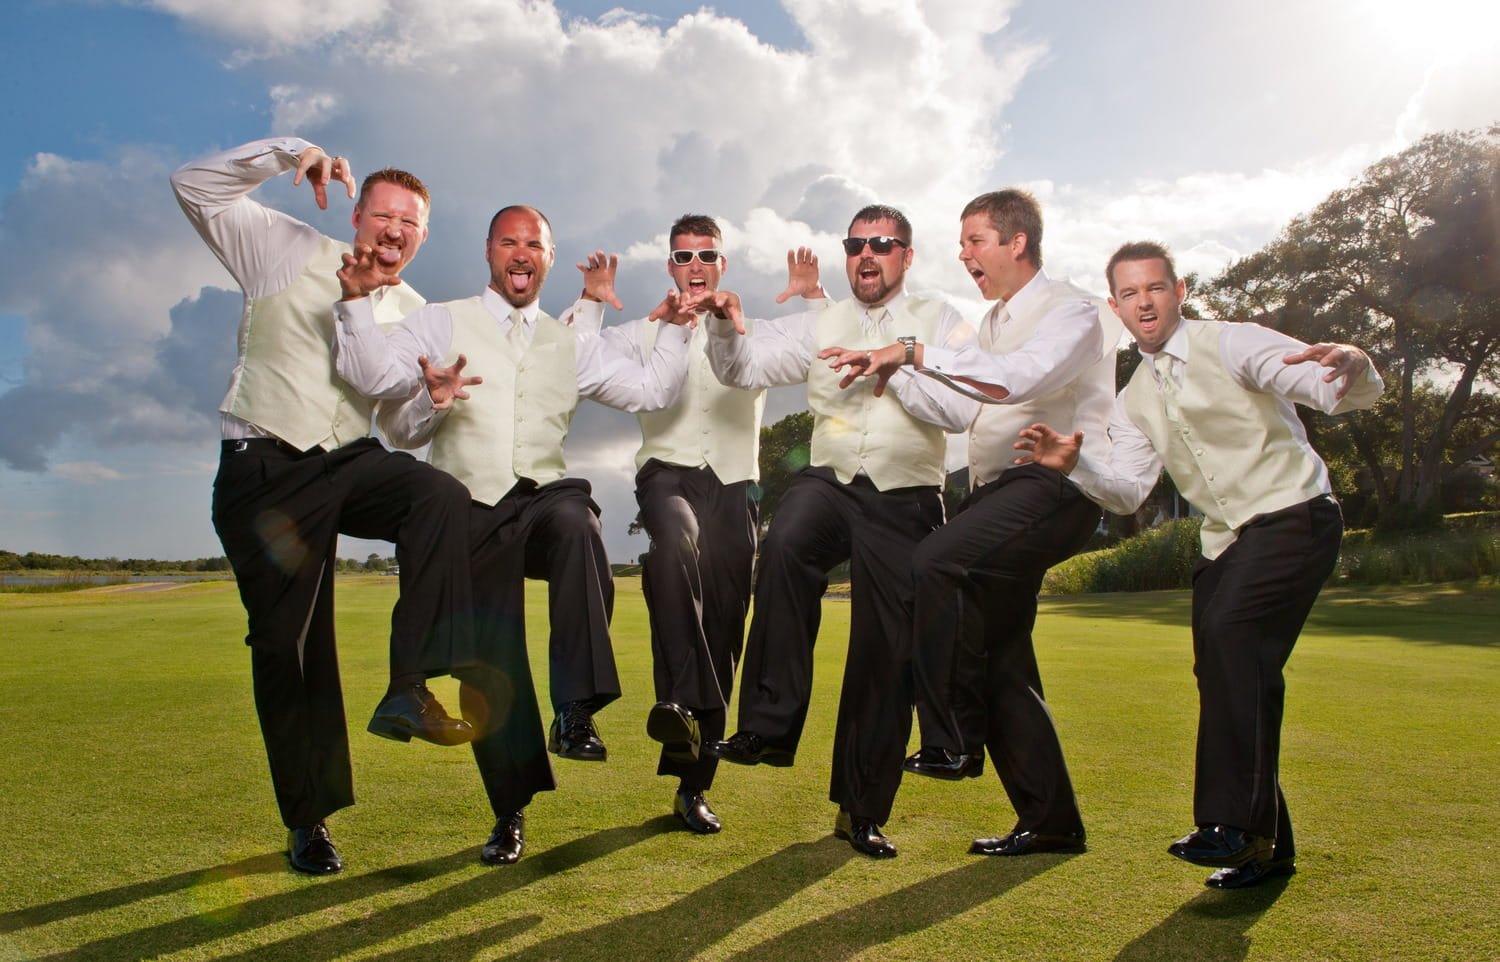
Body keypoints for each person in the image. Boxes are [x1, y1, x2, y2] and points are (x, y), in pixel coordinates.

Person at [334, 204, 694, 865]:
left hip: (540, 496)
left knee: (577, 522)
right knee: (491, 664)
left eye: (534, 243)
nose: (521, 252)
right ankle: (509, 813)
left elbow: (651, 390)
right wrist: (429, 396)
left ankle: (577, 709)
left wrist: (670, 333)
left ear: (548, 259)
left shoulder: (570, 344)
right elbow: (395, 421)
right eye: (509, 241)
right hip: (467, 508)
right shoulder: (441, 319)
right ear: (490, 253)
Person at [1016, 240, 1383, 888]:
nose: (1144, 301)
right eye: (1129, 294)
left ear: (1177, 291)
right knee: (1228, 671)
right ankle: (1267, 852)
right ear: (1116, 307)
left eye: (1154, 287)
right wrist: (1074, 464)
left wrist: (1353, 362)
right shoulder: (1134, 397)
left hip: (1293, 514)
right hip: (1226, 542)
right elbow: (1130, 490)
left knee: (1231, 637)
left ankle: (1229, 826)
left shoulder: (1233, 342)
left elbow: (1329, 386)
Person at [171, 138, 476, 877]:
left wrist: (431, 404)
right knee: (287, 647)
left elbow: (400, 426)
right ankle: (307, 822)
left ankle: (409, 687)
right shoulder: (286, 247)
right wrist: (289, 153)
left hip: (344, 461)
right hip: (264, 467)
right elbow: (194, 186)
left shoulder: (415, 311)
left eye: (411, 221)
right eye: (384, 214)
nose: (395, 229)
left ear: (424, 235)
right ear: (358, 214)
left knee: (437, 494)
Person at [827, 189, 1121, 857]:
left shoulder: (1072, 312)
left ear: (1017, 242)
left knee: (935, 561)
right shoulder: (989, 325)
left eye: (975, 241)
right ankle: (1050, 819)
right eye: (961, 244)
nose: (963, 255)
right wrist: (889, 373)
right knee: (1002, 658)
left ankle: (950, 741)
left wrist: (912, 349)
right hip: (993, 497)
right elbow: (958, 403)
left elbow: (1017, 380)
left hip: (1054, 488)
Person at [697, 205, 978, 859]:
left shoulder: (941, 320)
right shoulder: (819, 322)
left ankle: (861, 812)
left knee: (886, 655)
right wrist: (724, 331)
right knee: (788, 540)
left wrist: (897, 369)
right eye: (855, 245)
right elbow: (743, 367)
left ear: (907, 255)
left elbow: (964, 407)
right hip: (830, 485)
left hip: (907, 497)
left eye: (882, 244)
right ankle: (767, 723)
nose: (867, 255)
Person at [563, 215, 826, 835]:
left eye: (707, 254)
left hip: (736, 483)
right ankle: (678, 698)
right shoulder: (643, 332)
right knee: (672, 548)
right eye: (684, 255)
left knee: (726, 628)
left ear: (722, 264)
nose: (696, 264)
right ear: (672, 266)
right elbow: (572, 359)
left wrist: (815, 294)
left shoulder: (752, 332)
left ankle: (692, 784)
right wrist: (592, 302)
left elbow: (823, 341)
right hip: (667, 476)